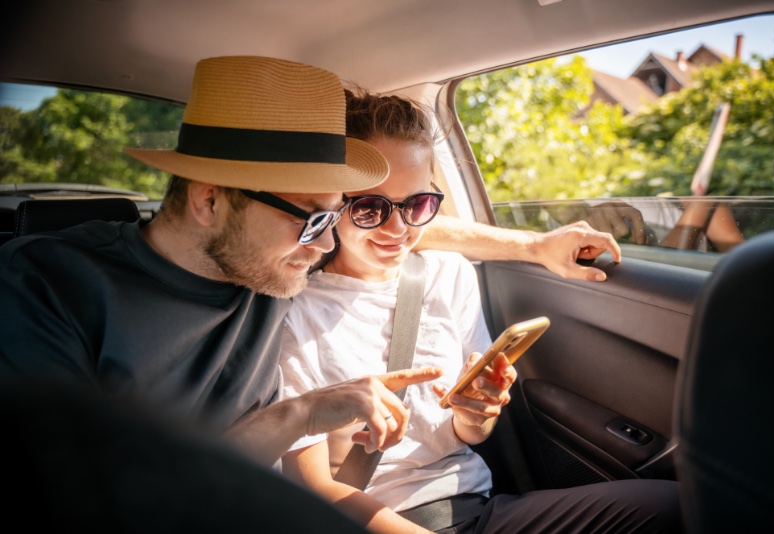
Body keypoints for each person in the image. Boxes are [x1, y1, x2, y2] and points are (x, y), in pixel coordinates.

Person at [0, 55, 623, 524]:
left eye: (335, 215)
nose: (328, 246)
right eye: (313, 218)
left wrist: (533, 247)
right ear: (209, 199)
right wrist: (302, 415)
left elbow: (409, 231)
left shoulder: (272, 272)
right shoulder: (45, 288)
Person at [279, 89, 683, 533]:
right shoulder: (294, 311)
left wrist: (475, 415)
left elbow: (466, 435)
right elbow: (311, 487)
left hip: (477, 509)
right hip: (366, 521)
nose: (399, 229)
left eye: (418, 204)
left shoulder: (449, 275)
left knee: (678, 507)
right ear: (333, 202)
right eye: (370, 207)